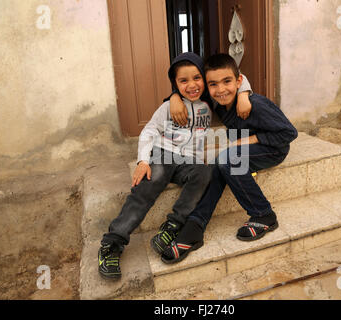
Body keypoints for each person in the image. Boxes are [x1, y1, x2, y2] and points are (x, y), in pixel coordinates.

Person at [98, 52, 252, 279]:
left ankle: (173, 226)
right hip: (164, 154)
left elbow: (238, 76)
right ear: (175, 84)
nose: (191, 85)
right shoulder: (168, 107)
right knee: (153, 180)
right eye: (183, 81)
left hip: (188, 161)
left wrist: (244, 96)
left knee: (205, 171)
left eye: (197, 78)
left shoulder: (209, 103)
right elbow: (150, 130)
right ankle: (112, 243)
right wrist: (142, 160)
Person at [161, 53, 298, 264]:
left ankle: (264, 215)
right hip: (242, 145)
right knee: (219, 166)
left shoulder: (256, 104)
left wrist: (245, 140)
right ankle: (195, 227)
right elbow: (188, 89)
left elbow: (289, 134)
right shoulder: (216, 102)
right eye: (213, 84)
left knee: (227, 159)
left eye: (227, 82)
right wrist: (174, 98)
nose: (221, 89)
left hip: (273, 148)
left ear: (239, 81)